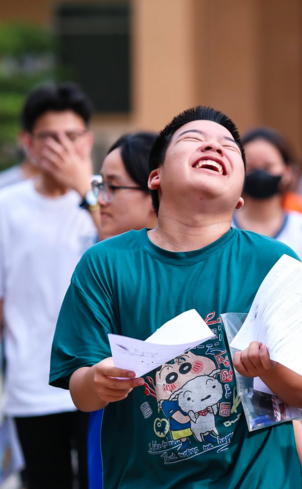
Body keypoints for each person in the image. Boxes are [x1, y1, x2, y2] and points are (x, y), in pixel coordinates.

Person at [50, 106, 302, 488]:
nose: (214, 146)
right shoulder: (105, 263)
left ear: (240, 195)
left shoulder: (277, 262)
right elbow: (82, 392)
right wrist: (98, 380)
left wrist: (267, 368)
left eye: (228, 146)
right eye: (194, 139)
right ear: (156, 177)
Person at [0, 82, 97, 489]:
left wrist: (84, 188)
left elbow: (127, 257)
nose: (61, 147)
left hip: (99, 380)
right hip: (31, 385)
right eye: (49, 137)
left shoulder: (104, 199)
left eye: (71, 137)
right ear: (27, 143)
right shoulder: (7, 206)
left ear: (88, 141)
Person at [83, 131, 158, 489]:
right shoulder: (100, 265)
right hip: (120, 440)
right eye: (100, 185)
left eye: (113, 186)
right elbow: (80, 381)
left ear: (155, 189)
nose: (100, 201)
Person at [234, 127, 302, 279]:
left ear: (287, 172)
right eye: (251, 167)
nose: (260, 173)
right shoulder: (220, 229)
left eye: (268, 166)